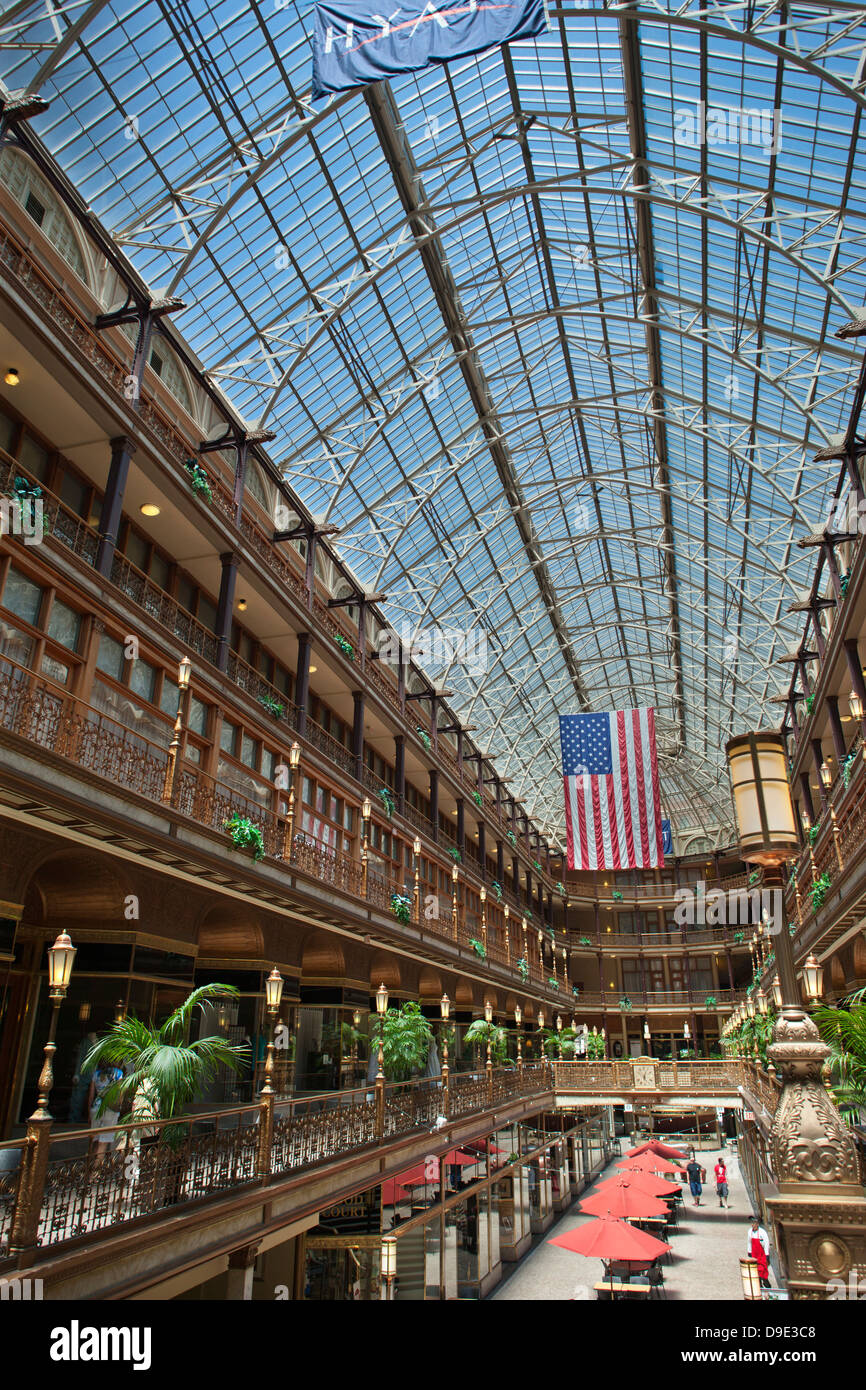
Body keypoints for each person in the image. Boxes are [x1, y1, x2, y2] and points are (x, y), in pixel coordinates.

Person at [747, 1216, 772, 1289]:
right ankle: (759, 1287)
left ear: (757, 1224)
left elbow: (766, 1244)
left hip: (762, 1256)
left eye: (754, 1223)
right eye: (751, 1223)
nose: (752, 1225)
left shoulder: (762, 1232)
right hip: (755, 1256)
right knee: (755, 1272)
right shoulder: (750, 1232)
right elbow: (749, 1242)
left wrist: (767, 1255)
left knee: (763, 1272)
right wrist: (749, 1251)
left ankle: (767, 1286)